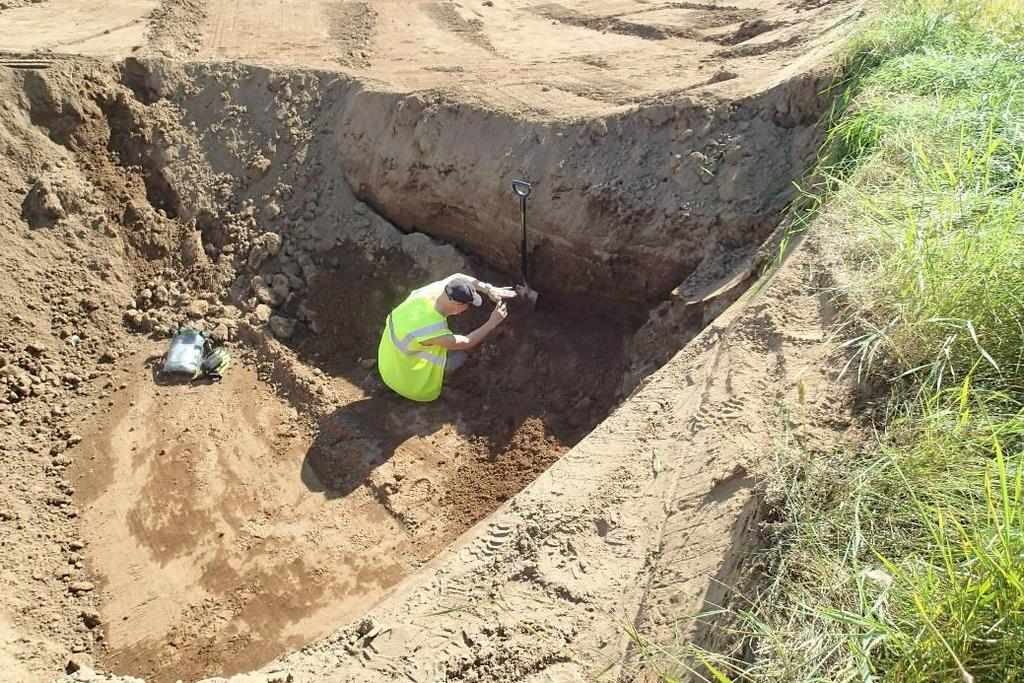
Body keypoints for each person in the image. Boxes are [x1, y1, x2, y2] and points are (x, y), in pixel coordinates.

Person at [377, 273, 516, 402]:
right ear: (459, 306)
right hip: (408, 383)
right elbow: (467, 342)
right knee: (460, 358)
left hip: (387, 364)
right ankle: (444, 386)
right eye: (468, 305)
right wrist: (492, 322)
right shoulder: (433, 328)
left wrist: (488, 289)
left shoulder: (433, 292)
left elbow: (458, 276)